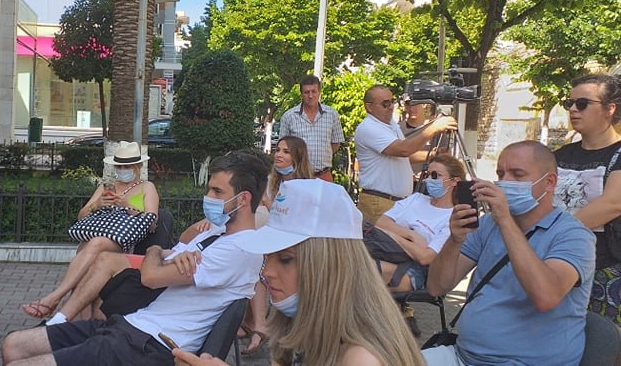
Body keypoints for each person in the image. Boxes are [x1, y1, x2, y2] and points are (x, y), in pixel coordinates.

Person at [2, 150, 269, 366]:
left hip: (149, 345)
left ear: (243, 199)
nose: (208, 197)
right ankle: (62, 315)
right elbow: (176, 248)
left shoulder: (240, 249)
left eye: (217, 192)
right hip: (131, 326)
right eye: (209, 189)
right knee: (13, 345)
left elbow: (150, 276)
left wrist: (156, 251)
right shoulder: (217, 232)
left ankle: (62, 313)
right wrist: (164, 253)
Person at [173, 179, 424, 366]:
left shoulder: (361, 359)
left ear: (330, 265)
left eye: (285, 259)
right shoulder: (305, 326)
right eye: (267, 257)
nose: (267, 272)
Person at [423, 141, 595, 365]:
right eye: (500, 174)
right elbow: (437, 287)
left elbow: (546, 296)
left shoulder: (574, 236)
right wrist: (454, 241)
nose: (505, 182)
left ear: (549, 182)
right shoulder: (488, 225)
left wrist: (505, 220)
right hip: (463, 355)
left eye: (517, 174)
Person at [21, 141, 159, 320]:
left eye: (127, 166)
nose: (122, 170)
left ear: (137, 167)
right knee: (89, 255)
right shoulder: (105, 186)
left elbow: (152, 221)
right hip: (95, 240)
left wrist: (127, 206)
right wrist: (97, 204)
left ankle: (56, 296)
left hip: (123, 240)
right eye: (119, 166)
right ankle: (76, 322)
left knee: (95, 243)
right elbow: (81, 216)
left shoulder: (146, 187)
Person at [553, 74, 621, 325]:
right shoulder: (561, 154)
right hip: (558, 263)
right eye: (569, 103)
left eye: (582, 103)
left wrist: (550, 233)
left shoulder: (618, 153)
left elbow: (612, 204)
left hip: (604, 271)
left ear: (610, 109)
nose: (573, 109)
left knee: (600, 340)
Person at [240, 135, 314, 355]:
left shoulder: (305, 187)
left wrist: (265, 201)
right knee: (255, 261)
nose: (279, 155)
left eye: (286, 152)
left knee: (260, 263)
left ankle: (258, 325)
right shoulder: (272, 181)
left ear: (297, 158)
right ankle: (256, 324)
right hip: (270, 240)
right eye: (278, 150)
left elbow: (291, 219)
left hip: (295, 244)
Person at [354, 85, 456, 223]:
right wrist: (434, 128)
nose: (391, 107)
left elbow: (401, 156)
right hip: (380, 202)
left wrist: (432, 155)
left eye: (392, 102)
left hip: (393, 202)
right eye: (385, 104)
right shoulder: (368, 128)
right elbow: (403, 150)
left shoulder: (390, 124)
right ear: (369, 107)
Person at [374, 154, 463, 293]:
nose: (429, 179)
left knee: (365, 269)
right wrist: (412, 236)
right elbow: (381, 223)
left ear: (454, 181)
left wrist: (393, 235)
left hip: (415, 270)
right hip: (383, 252)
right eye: (428, 174)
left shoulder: (453, 217)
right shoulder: (416, 199)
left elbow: (425, 257)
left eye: (436, 175)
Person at [278, 75, 344, 181]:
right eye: (306, 92)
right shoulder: (289, 117)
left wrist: (322, 156)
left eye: (314, 92)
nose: (310, 96)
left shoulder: (332, 114)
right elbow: (283, 147)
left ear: (319, 92)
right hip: (297, 176)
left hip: (324, 175)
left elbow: (336, 143)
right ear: (301, 94)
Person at [399, 98, 437, 178]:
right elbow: (397, 156)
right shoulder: (397, 129)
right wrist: (432, 154)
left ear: (424, 105)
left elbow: (445, 157)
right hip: (403, 179)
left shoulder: (435, 128)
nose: (412, 108)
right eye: (408, 104)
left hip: (429, 181)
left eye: (415, 104)